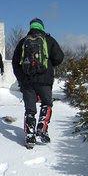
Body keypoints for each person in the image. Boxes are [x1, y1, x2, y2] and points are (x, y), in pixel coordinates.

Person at [12, 18, 64, 149]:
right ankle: (42, 127)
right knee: (47, 104)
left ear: (30, 27)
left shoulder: (23, 42)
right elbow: (59, 57)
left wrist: (20, 78)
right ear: (42, 27)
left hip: (27, 81)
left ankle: (29, 136)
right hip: (45, 80)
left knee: (30, 109)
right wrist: (49, 64)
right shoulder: (48, 40)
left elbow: (15, 62)